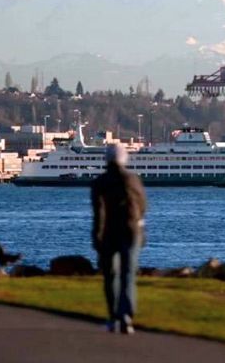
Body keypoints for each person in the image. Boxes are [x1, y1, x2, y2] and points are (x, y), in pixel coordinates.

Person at [91, 143, 147, 334]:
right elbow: (143, 205)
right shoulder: (133, 179)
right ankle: (126, 316)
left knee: (111, 275)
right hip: (132, 230)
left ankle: (113, 316)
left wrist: (97, 236)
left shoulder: (100, 182)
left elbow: (99, 213)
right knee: (128, 274)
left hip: (109, 231)